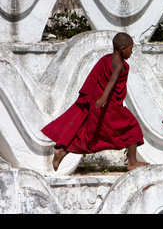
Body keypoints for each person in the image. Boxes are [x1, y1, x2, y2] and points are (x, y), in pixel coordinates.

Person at [42, 32, 148, 172]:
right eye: (130, 48)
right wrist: (104, 96)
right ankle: (132, 162)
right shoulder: (118, 65)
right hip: (110, 106)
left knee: (89, 136)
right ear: (122, 48)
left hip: (99, 105)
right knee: (132, 127)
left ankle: (62, 151)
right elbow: (112, 80)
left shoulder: (107, 59)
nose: (131, 52)